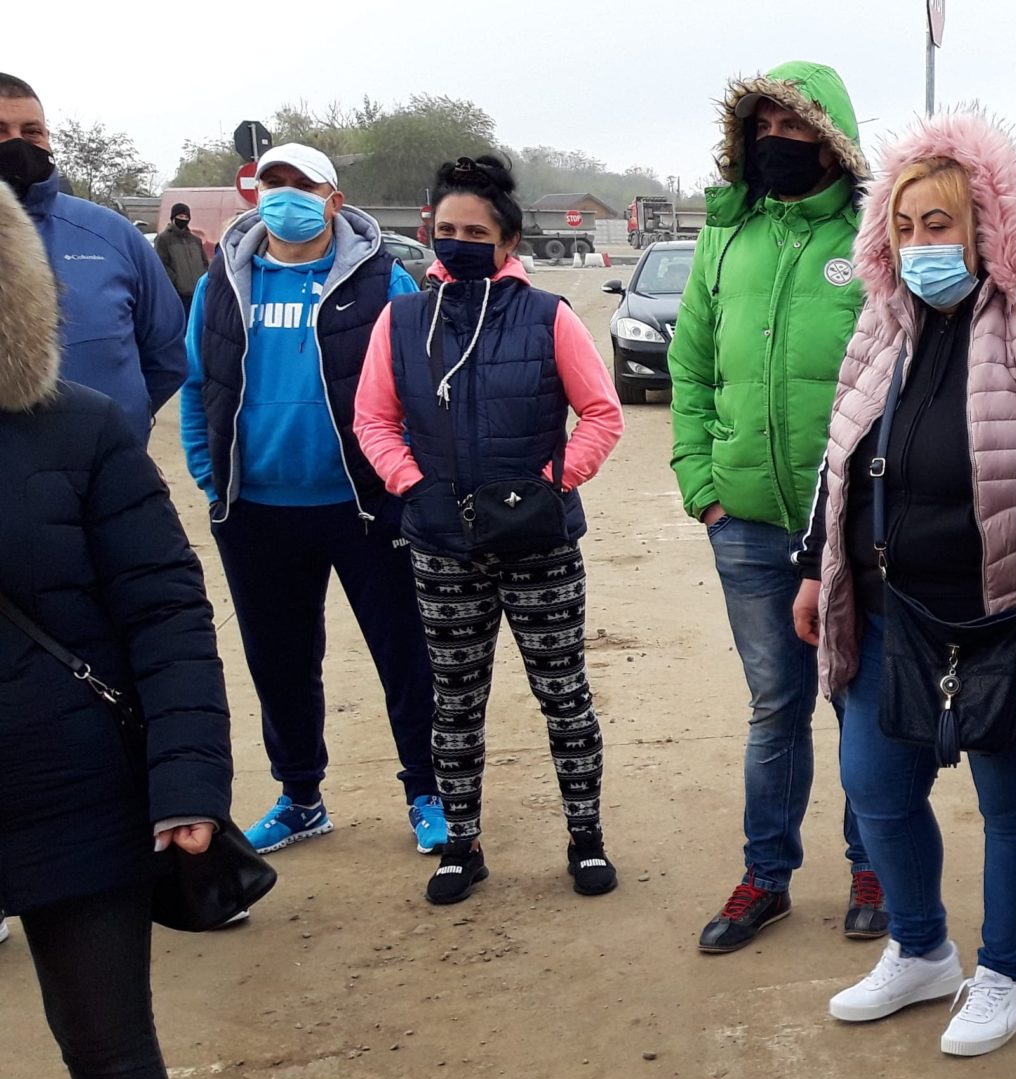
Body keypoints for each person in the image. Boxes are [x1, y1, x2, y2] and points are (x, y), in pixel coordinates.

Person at [795, 108, 1016, 1056]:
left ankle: (1005, 974)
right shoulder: (884, 323)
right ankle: (922, 951)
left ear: (992, 223)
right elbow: (836, 456)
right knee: (876, 789)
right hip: (889, 612)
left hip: (1005, 611)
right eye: (907, 225)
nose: (924, 245)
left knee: (1014, 809)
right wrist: (815, 567)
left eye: (943, 223)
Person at [0, 182, 232, 1079]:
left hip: (70, 791)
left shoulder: (80, 428)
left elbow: (165, 612)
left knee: (105, 1046)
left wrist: (186, 781)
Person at [352, 155, 623, 905]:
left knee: (564, 694)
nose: (458, 240)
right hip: (442, 548)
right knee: (455, 703)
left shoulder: (548, 316)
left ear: (506, 241)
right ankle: (461, 846)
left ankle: (586, 838)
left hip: (539, 545)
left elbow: (602, 414)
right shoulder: (403, 319)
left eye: (476, 230)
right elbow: (374, 420)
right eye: (446, 229)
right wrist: (414, 486)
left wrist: (547, 489)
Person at [669, 62, 887, 952]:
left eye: (795, 129)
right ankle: (767, 876)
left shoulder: (873, 239)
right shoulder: (726, 240)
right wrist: (704, 488)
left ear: (832, 138)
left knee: (860, 701)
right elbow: (689, 367)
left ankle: (873, 863)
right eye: (762, 129)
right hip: (750, 524)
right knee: (774, 707)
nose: (776, 144)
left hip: (851, 530)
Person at [177, 142, 445, 858]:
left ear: (333, 199)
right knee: (280, 662)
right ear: (253, 193)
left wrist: (405, 483)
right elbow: (200, 384)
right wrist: (213, 478)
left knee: (404, 654)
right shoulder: (222, 285)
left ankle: (427, 790)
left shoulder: (380, 281)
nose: (286, 195)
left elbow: (413, 390)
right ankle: (301, 797)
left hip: (362, 506)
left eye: (303, 184)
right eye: (274, 182)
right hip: (256, 509)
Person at [0, 72, 186, 441]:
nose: (18, 143)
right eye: (1, 129)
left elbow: (166, 355)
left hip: (102, 477)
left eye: (32, 131)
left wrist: (123, 427)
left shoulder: (112, 233)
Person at [153, 203, 210, 311]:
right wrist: (176, 282)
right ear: (173, 218)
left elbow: (204, 262)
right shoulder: (163, 239)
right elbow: (161, 264)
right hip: (178, 295)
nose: (183, 219)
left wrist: (204, 278)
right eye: (180, 217)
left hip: (197, 293)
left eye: (186, 217)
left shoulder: (195, 240)